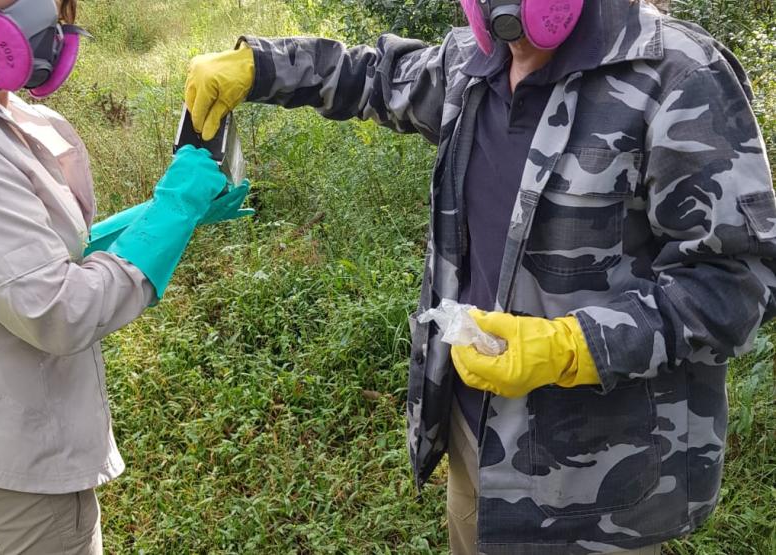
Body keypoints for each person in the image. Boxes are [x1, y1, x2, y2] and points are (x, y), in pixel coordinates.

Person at [185, 0, 776, 552]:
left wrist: (574, 347)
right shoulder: (474, 61)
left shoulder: (676, 75)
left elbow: (739, 279)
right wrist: (259, 66)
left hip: (602, 485)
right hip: (478, 435)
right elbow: (374, 76)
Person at [0, 0, 251, 552]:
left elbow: (40, 251)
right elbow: (59, 309)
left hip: (23, 442)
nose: (46, 10)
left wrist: (165, 216)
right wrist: (176, 205)